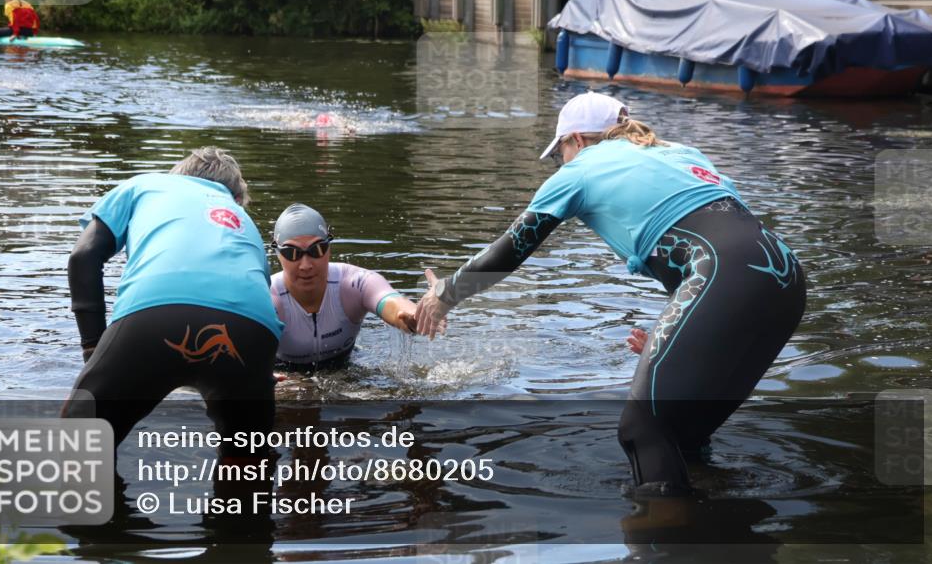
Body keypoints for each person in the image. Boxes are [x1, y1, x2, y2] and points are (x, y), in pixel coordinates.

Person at [414, 91, 807, 496]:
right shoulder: (679, 151)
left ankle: (662, 538)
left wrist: (444, 294)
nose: (559, 162)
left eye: (558, 153)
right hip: (787, 280)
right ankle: (715, 524)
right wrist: (681, 343)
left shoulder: (580, 169)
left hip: (726, 276)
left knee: (642, 428)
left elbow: (510, 249)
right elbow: (717, 243)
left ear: (577, 141)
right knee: (682, 432)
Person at [62, 147, 284, 452]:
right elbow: (258, 299)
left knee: (78, 445)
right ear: (235, 198)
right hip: (250, 331)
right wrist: (257, 372)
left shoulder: (145, 184)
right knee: (247, 463)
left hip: (155, 317)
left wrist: (93, 349)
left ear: (177, 175)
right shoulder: (243, 221)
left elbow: (83, 257)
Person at [270, 203, 442, 372]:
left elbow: (390, 301)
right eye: (292, 253)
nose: (306, 265)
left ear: (328, 248)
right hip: (285, 377)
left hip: (345, 370)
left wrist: (417, 316)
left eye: (317, 250)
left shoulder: (352, 283)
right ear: (278, 254)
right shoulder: (268, 298)